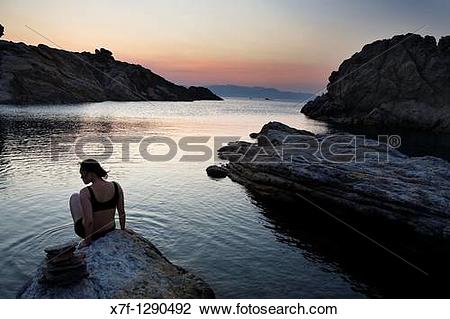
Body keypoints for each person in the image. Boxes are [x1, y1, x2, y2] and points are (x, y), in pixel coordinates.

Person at [69, 159, 126, 247]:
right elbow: (121, 212)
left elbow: (89, 221)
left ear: (91, 173)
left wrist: (87, 241)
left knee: (74, 197)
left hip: (91, 233)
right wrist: (123, 229)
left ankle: (86, 234)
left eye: (82, 174)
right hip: (110, 229)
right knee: (79, 197)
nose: (81, 177)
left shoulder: (85, 192)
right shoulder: (116, 186)